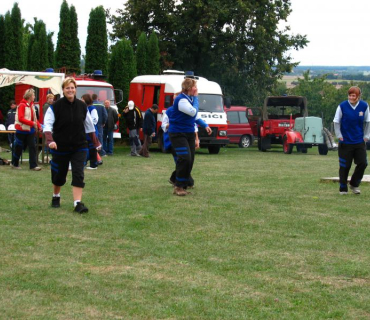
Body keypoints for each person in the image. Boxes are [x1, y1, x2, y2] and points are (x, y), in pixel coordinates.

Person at [43, 77, 101, 213]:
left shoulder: (82, 106)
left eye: (72, 87)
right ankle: (56, 196)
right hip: (60, 146)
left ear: (75, 89)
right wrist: (50, 140)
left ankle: (77, 203)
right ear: (63, 90)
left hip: (79, 146)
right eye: (67, 88)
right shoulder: (55, 107)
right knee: (59, 175)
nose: (70, 90)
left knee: (78, 173)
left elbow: (89, 127)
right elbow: (47, 125)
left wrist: (96, 142)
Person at [163, 96, 212, 190]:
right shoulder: (170, 111)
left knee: (188, 160)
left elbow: (195, 122)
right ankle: (182, 183)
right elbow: (164, 126)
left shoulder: (188, 109)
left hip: (187, 137)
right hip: (175, 138)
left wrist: (197, 138)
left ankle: (177, 179)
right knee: (182, 160)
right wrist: (174, 124)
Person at [168, 78, 203, 196]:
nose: (196, 89)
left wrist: (205, 125)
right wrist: (197, 98)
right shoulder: (181, 100)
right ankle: (178, 187)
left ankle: (176, 179)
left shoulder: (190, 99)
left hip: (188, 133)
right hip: (178, 133)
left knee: (190, 159)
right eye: (195, 87)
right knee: (185, 158)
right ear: (189, 88)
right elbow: (194, 112)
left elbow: (195, 117)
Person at [333, 86, 370, 195]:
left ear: (358, 96)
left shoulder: (364, 106)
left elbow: (368, 122)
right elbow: (336, 121)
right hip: (345, 141)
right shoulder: (342, 106)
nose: (351, 97)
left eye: (353, 95)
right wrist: (339, 135)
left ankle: (354, 184)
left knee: (363, 163)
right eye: (350, 95)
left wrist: (367, 135)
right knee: (345, 165)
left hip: (359, 141)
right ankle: (343, 187)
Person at [11, 89, 42, 171]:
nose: (34, 97)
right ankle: (14, 163)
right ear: (29, 96)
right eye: (33, 95)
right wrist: (32, 123)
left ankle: (33, 165)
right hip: (21, 130)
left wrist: (39, 126)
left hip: (30, 130)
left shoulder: (32, 105)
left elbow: (34, 118)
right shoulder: (22, 105)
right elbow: (20, 118)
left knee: (32, 147)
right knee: (19, 147)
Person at [81, 94, 99, 170]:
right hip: (85, 131)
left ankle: (94, 164)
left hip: (91, 131)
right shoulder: (85, 108)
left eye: (82, 99)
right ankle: (85, 163)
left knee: (92, 148)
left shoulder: (92, 108)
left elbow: (95, 120)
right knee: (86, 147)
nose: (81, 100)